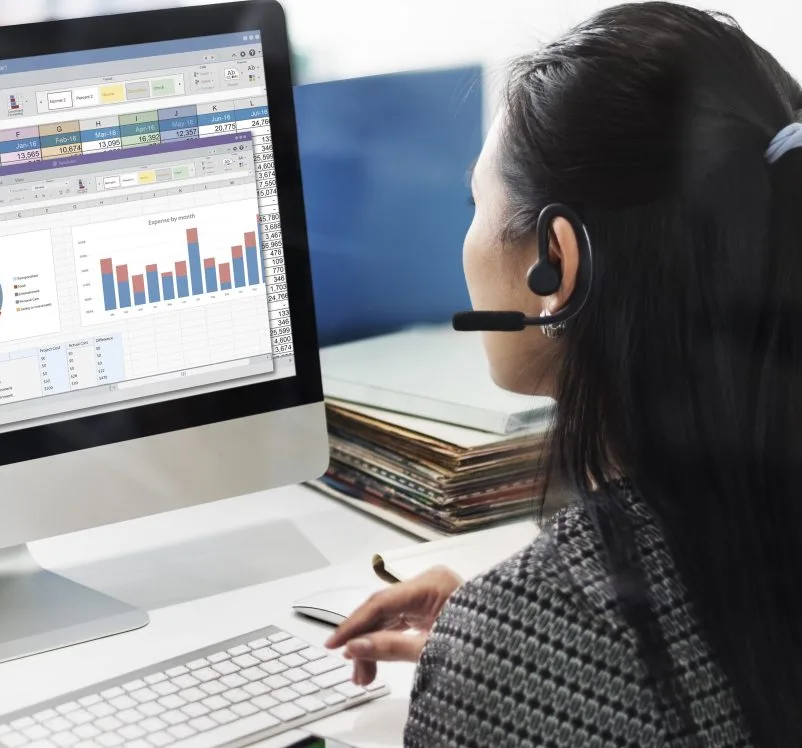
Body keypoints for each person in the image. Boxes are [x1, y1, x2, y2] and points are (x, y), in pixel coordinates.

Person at [325, 3, 802, 746]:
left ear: (557, 262)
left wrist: (510, 655)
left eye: (475, 202)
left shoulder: (524, 641)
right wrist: (522, 648)